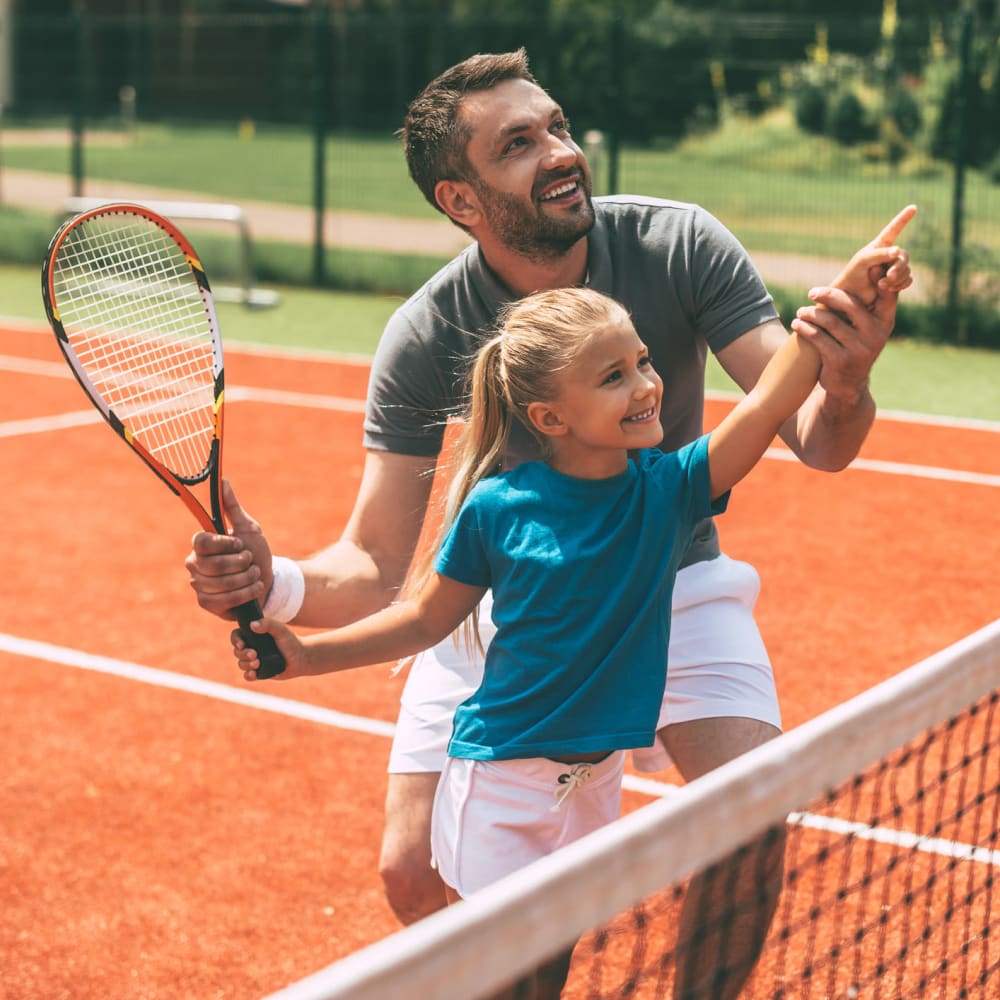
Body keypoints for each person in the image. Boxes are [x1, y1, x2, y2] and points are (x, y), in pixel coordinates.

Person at [186, 49, 914, 999]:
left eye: (558, 127)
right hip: (501, 596)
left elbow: (816, 434)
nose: (560, 152)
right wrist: (271, 584)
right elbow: (377, 564)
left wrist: (847, 373)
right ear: (461, 198)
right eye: (519, 144)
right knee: (413, 877)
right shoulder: (426, 332)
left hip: (671, 572)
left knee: (750, 811)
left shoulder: (679, 244)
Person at [234, 275, 902, 999]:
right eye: (613, 376)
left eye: (642, 361)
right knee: (507, 982)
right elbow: (425, 618)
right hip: (500, 791)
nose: (647, 385)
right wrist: (304, 656)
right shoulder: (497, 508)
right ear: (550, 417)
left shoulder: (670, 488)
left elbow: (769, 403)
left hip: (592, 786)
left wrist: (828, 319)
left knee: (551, 969)